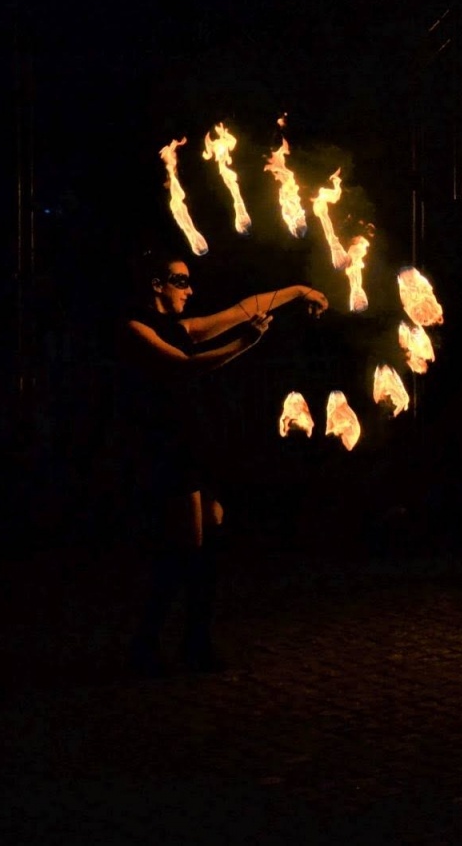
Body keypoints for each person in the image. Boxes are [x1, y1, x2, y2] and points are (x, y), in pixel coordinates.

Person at [121, 251, 328, 673]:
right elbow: (184, 367)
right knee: (185, 551)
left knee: (203, 546)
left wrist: (299, 291)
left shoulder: (179, 327)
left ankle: (187, 642)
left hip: (194, 447)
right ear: (156, 284)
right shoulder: (134, 329)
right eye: (181, 281)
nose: (190, 289)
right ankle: (154, 645)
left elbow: (240, 309)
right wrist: (244, 343)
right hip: (164, 452)